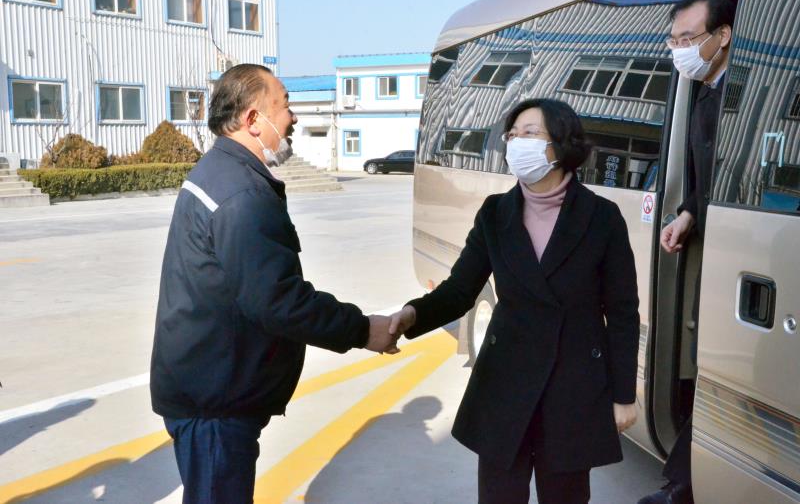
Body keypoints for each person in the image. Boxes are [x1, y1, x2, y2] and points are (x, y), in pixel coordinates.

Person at [149, 64, 399, 504]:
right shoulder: (241, 195)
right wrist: (363, 330)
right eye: (285, 105)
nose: (293, 117)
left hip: (208, 385)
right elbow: (278, 300)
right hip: (215, 403)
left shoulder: (219, 172)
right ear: (252, 119)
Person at [388, 98, 640, 504]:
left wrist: (623, 395)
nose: (517, 142)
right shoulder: (495, 213)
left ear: (561, 144)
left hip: (572, 387)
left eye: (530, 133)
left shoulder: (602, 217)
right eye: (513, 134)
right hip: (505, 386)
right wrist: (412, 314)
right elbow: (459, 290)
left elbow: (623, 313)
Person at [641, 0, 735, 504]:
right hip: (714, 250)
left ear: (723, 37)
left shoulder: (739, 96)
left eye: (688, 38)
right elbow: (707, 182)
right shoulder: (703, 96)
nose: (678, 50)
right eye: (673, 40)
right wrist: (687, 214)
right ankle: (684, 482)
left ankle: (684, 483)